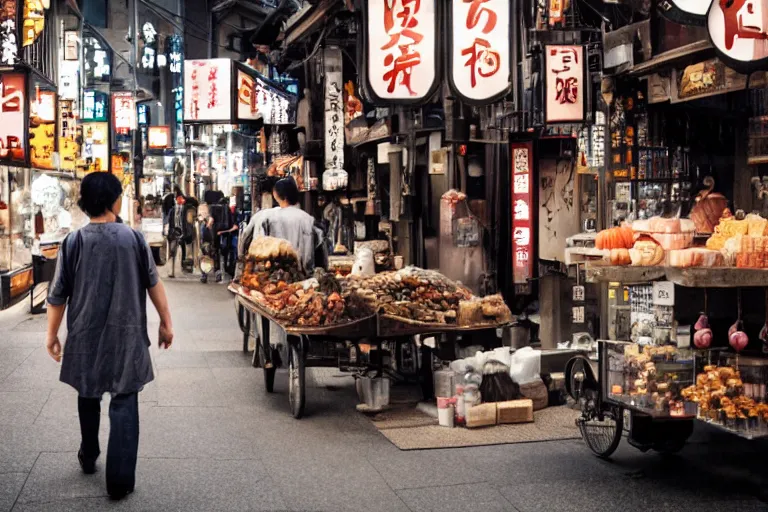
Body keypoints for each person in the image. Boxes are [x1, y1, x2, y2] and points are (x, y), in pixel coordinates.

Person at [45, 172, 173, 500]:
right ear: (115, 201)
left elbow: (58, 294)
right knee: (125, 398)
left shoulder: (73, 241)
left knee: (88, 394)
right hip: (127, 334)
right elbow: (153, 282)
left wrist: (52, 335)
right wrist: (165, 321)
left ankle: (89, 455)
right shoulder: (133, 238)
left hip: (85, 333)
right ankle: (118, 480)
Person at [260, 177, 318, 271]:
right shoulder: (307, 219)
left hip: (276, 273)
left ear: (276, 195)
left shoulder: (270, 218)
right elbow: (308, 254)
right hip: (301, 274)